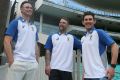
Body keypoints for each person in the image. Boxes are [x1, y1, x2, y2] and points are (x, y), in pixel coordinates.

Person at [4, 1, 40, 80]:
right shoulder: (15, 22)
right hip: (18, 62)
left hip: (32, 64)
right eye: (27, 7)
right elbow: (6, 41)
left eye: (31, 8)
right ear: (21, 9)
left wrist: (37, 62)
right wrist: (11, 60)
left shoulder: (34, 27)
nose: (29, 9)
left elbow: (36, 45)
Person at [81, 11, 119, 80]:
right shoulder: (83, 38)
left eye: (90, 19)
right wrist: (84, 73)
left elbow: (115, 46)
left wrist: (112, 66)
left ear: (94, 21)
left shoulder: (99, 32)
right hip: (87, 76)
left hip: (100, 75)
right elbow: (86, 57)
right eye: (86, 20)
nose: (88, 21)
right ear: (83, 22)